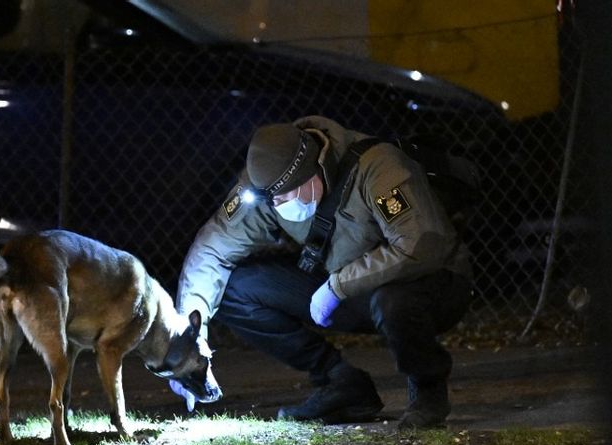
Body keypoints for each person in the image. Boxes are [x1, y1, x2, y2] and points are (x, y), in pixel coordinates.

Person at [172, 116, 473, 429]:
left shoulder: (377, 166)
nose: (278, 205)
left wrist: (339, 286)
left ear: (314, 168)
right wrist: (188, 338)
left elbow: (420, 245)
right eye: (272, 199)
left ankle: (427, 390)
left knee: (392, 301)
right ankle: (341, 383)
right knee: (238, 289)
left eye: (286, 196)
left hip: (431, 283)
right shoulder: (266, 184)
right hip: (347, 287)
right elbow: (211, 248)